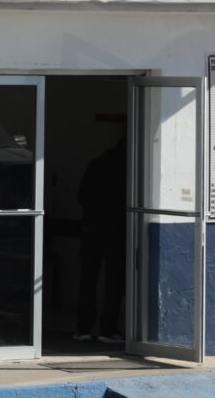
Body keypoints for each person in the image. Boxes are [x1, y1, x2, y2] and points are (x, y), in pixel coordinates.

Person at [74, 136, 127, 343]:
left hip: (91, 229)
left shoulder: (96, 164)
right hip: (115, 231)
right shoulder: (127, 168)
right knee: (113, 282)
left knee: (87, 280)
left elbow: (81, 196)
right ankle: (108, 329)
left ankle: (83, 328)